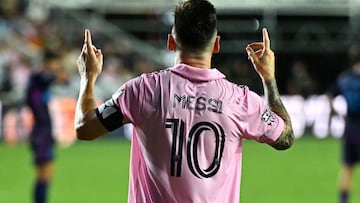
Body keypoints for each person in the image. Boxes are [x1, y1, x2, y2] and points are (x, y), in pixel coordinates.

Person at [75, 0, 294, 202]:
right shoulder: (241, 100)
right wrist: (268, 78)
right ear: (216, 44)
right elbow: (285, 138)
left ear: (171, 42)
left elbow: (85, 128)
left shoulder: (143, 90)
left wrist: (89, 77)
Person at [26, 51, 67, 203]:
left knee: (46, 174)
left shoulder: (40, 84)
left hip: (43, 133)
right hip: (40, 134)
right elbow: (49, 78)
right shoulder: (36, 79)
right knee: (44, 174)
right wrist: (57, 72)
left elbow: (62, 80)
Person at [327, 46, 360, 203]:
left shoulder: (345, 78)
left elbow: (329, 95)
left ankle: (343, 201)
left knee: (347, 167)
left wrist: (336, 113)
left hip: (350, 126)